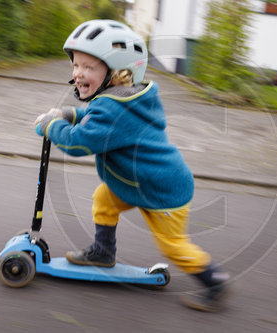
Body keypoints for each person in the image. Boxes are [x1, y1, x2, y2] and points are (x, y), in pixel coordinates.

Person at [34, 20, 230, 312]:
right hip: (133, 183)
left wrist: (52, 126)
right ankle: (103, 253)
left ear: (118, 72)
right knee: (104, 199)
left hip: (161, 190)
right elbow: (93, 117)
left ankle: (215, 282)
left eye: (89, 67)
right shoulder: (124, 98)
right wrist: (68, 112)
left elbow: (80, 142)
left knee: (173, 247)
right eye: (76, 65)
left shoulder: (114, 108)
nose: (78, 73)